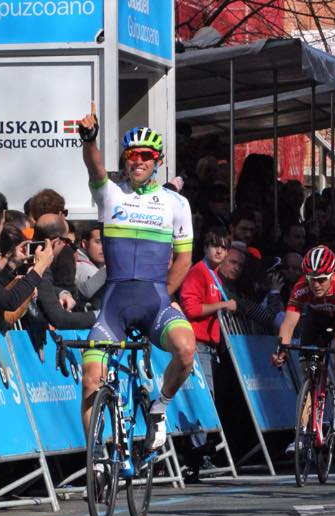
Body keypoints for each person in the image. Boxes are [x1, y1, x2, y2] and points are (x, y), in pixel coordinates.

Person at [77, 110, 196, 461]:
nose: (138, 160)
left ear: (158, 161)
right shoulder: (111, 195)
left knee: (186, 350)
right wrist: (90, 140)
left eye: (145, 155)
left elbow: (184, 259)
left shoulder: (176, 203)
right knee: (90, 380)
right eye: (132, 154)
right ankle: (98, 457)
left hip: (155, 301)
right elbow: (95, 168)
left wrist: (165, 297)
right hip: (114, 307)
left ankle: (159, 407)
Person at [273, 246, 335, 439]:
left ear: (332, 275)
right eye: (311, 279)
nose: (316, 285)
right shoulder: (301, 287)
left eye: (321, 280)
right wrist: (281, 350)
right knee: (307, 370)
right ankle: (302, 434)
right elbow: (289, 323)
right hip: (316, 320)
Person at [180, 227, 235, 393]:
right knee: (206, 396)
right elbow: (191, 309)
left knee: (209, 396)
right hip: (198, 345)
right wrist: (223, 305)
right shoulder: (198, 271)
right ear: (205, 248)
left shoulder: (214, 275)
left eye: (223, 247)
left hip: (209, 347)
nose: (219, 251)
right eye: (215, 246)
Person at [74, 220, 106, 308]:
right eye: (98, 242)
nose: (104, 247)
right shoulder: (88, 270)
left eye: (107, 242)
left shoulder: (77, 260)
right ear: (84, 244)